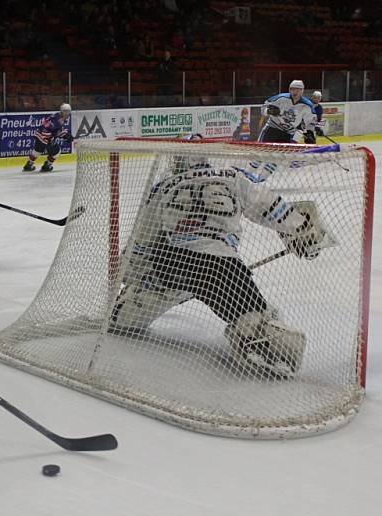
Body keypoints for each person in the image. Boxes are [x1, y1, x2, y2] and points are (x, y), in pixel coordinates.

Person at [108, 143, 328, 378]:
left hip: (170, 264)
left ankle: (130, 307)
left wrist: (136, 276)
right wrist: (302, 229)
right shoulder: (233, 177)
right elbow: (270, 207)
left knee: (122, 321)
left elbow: (142, 240)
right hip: (221, 264)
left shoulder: (163, 187)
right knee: (256, 322)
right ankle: (262, 343)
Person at [259, 80, 317, 144]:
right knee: (260, 150)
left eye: (298, 90)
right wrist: (269, 111)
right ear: (289, 90)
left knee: (286, 153)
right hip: (272, 128)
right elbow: (263, 108)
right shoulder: (280, 98)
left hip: (288, 133)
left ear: (302, 91)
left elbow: (310, 122)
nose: (295, 92)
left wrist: (309, 134)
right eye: (293, 89)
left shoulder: (307, 106)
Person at [23, 103, 73, 173]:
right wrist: (65, 136)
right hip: (45, 136)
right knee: (57, 152)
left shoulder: (56, 115)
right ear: (61, 111)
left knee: (38, 150)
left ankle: (29, 164)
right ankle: (47, 166)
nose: (67, 113)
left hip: (39, 134)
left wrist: (65, 135)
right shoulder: (59, 120)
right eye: (65, 111)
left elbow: (56, 130)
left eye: (68, 111)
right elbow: (56, 132)